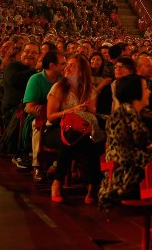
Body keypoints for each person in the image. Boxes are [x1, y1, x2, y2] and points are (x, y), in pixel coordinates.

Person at [45, 54, 104, 204]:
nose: (67, 67)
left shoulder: (89, 89)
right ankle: (57, 183)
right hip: (55, 129)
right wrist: (72, 111)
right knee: (70, 138)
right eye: (67, 64)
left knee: (92, 141)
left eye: (72, 65)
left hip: (82, 132)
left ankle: (92, 184)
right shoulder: (58, 88)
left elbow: (92, 114)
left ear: (82, 71)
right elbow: (50, 116)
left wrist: (90, 110)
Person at [98, 74, 152, 210]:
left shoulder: (146, 115)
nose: (149, 92)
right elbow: (126, 155)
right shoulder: (119, 118)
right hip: (127, 177)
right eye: (146, 88)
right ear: (135, 93)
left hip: (143, 168)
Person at [22, 49, 66, 183]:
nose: (65, 67)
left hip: (59, 116)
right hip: (40, 116)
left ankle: (60, 165)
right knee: (38, 125)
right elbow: (29, 107)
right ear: (52, 65)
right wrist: (46, 112)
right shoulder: (36, 79)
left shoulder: (63, 80)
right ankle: (37, 165)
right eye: (62, 64)